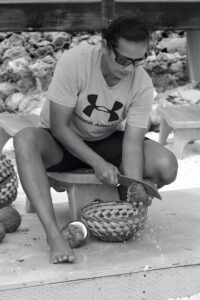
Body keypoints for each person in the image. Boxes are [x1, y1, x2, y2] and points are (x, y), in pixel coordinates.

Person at [14, 16, 178, 264]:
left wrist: (134, 185)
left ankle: (122, 207)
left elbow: (132, 142)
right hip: (61, 142)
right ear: (105, 46)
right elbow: (58, 126)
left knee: (166, 165)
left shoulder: (141, 82)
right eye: (123, 60)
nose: (129, 68)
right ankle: (53, 235)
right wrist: (98, 163)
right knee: (24, 139)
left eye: (138, 60)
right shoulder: (75, 62)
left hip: (106, 140)